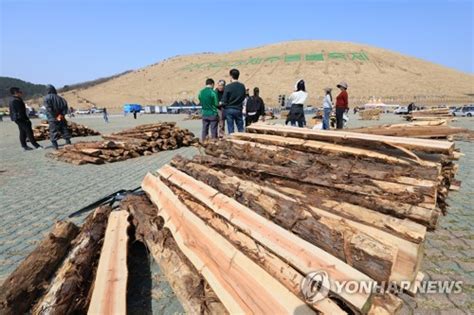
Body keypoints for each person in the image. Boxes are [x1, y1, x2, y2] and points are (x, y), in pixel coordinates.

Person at [43, 84, 71, 149]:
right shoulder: (61, 98)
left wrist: (55, 115)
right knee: (64, 129)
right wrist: (61, 115)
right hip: (61, 117)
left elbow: (49, 109)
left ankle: (55, 146)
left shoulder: (46, 98)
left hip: (52, 118)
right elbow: (65, 108)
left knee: (53, 131)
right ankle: (68, 142)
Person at [221, 68, 246, 134]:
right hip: (238, 108)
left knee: (231, 129)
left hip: (229, 109)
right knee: (240, 128)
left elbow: (224, 99)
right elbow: (244, 97)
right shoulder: (242, 86)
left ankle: (232, 140)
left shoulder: (228, 87)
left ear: (231, 76)